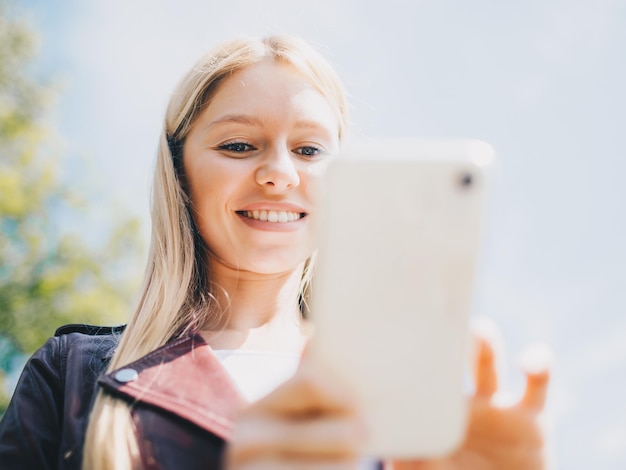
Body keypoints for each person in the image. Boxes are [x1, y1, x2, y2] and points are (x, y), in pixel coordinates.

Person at [0, 35, 551, 470]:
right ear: (180, 171)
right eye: (239, 145)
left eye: (310, 150)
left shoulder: (405, 399)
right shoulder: (72, 374)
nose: (279, 174)